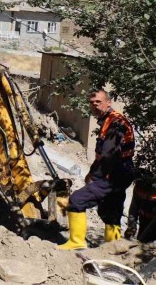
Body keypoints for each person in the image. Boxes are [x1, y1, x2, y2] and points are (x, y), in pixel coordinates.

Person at [58, 89, 136, 250]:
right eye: (92, 103)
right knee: (111, 210)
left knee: (76, 200)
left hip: (115, 173)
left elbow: (108, 155)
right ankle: (113, 246)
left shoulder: (115, 123)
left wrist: (96, 176)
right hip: (121, 172)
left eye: (98, 102)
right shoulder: (109, 120)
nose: (94, 105)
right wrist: (91, 171)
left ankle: (77, 242)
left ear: (109, 103)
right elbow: (102, 154)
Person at [124, 170, 156, 242]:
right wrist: (131, 227)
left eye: (143, 182)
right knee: (141, 244)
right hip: (145, 221)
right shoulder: (138, 188)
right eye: (137, 182)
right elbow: (134, 208)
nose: (140, 184)